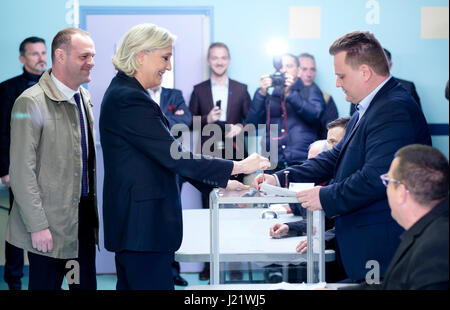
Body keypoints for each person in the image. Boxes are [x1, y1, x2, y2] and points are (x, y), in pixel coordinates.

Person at [99, 23, 270, 290]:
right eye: (165, 58)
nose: (168, 67)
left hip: (140, 229)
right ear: (141, 55)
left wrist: (225, 182)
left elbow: (164, 159)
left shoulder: (128, 93)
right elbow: (175, 156)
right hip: (141, 229)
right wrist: (238, 166)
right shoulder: (129, 98)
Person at [254, 30, 432, 283]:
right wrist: (279, 178)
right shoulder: (368, 107)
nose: (337, 83)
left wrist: (322, 196)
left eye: (341, 76)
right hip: (363, 241)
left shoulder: (394, 108)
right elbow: (333, 157)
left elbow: (375, 179)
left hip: (382, 242)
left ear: (365, 73)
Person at [6, 28, 98, 290]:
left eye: (92, 56)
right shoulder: (30, 102)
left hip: (80, 223)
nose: (91, 62)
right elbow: (22, 171)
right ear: (60, 56)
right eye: (84, 56)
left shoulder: (84, 97)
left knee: (80, 285)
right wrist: (37, 226)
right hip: (47, 227)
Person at [342, 144, 448, 289]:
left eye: (388, 182)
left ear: (402, 192)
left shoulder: (434, 248)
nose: (387, 189)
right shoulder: (429, 231)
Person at [188, 42, 252, 281]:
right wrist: (206, 118)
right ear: (208, 61)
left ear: (229, 60)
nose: (219, 61)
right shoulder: (199, 90)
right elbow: (188, 121)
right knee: (208, 210)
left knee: (235, 211)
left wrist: (240, 127)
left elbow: (251, 118)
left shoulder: (242, 89)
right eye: (214, 58)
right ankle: (208, 265)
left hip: (236, 156)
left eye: (223, 57)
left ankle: (234, 267)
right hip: (207, 155)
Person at [0, 36, 47, 290]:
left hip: (51, 171)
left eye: (43, 53)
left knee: (49, 226)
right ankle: (14, 281)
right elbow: (2, 132)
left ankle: (47, 279)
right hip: (20, 169)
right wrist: (5, 169)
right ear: (22, 58)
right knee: (19, 228)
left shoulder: (56, 86)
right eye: (34, 54)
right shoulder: (7, 89)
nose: (41, 58)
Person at [246, 53, 325, 171]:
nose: (284, 70)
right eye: (280, 67)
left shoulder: (310, 89)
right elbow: (253, 124)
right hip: (272, 161)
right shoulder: (269, 92)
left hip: (301, 160)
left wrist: (290, 94)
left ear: (298, 71)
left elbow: (315, 116)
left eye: (288, 66)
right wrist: (261, 93)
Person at [148, 85, 191, 286]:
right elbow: (175, 122)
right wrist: (169, 119)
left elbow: (186, 122)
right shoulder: (137, 94)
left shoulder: (174, 94)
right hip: (147, 168)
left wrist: (153, 122)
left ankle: (173, 271)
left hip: (173, 167)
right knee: (148, 220)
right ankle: (153, 269)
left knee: (170, 220)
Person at [350, 48, 422, 115]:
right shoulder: (359, 88)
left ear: (390, 65)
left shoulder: (407, 87)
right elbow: (353, 119)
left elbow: (417, 118)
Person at [297, 53, 339, 140]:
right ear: (296, 70)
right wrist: (269, 152)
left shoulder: (326, 98)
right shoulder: (285, 95)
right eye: (304, 69)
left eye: (312, 69)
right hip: (282, 151)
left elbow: (331, 133)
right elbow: (270, 127)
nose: (309, 74)